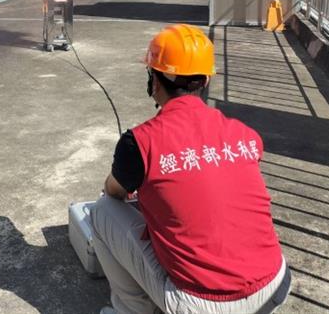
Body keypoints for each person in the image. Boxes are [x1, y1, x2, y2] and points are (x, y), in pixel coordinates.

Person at [91, 24, 290, 314]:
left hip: (204, 306)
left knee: (102, 210)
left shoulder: (141, 142)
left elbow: (114, 191)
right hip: (274, 285)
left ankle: (131, 310)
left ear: (155, 81)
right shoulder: (244, 134)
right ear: (206, 80)